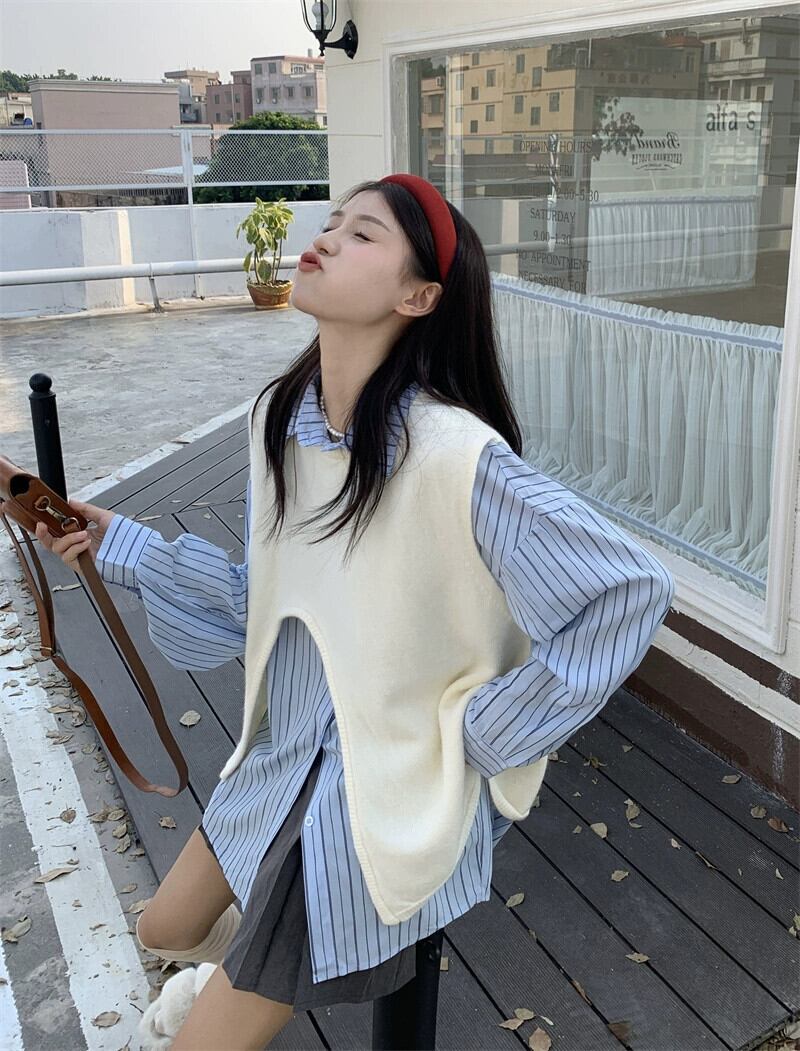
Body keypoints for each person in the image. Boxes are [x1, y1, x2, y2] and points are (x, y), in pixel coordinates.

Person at [38, 172, 675, 1050]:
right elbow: (267, 601)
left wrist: (480, 735)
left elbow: (627, 590)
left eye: (364, 234)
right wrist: (124, 545)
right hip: (287, 749)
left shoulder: (455, 455)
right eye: (335, 222)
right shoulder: (282, 422)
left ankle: (245, 983)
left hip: (371, 797)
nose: (327, 238)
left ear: (419, 296)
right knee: (164, 927)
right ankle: (231, 975)